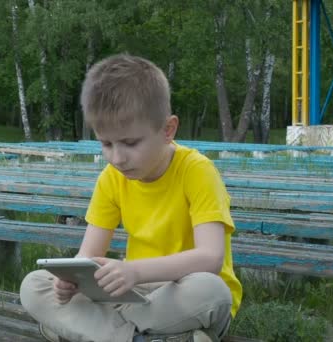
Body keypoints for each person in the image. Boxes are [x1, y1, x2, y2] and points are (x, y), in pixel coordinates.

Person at [20, 54, 241, 342]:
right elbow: (87, 256)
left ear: (167, 130)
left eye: (130, 143)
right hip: (131, 294)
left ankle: (77, 331)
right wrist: (71, 281)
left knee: (212, 292)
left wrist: (135, 271)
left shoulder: (197, 171)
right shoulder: (111, 178)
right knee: (34, 286)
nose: (117, 158)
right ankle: (143, 337)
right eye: (106, 144)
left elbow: (210, 258)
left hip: (178, 290)